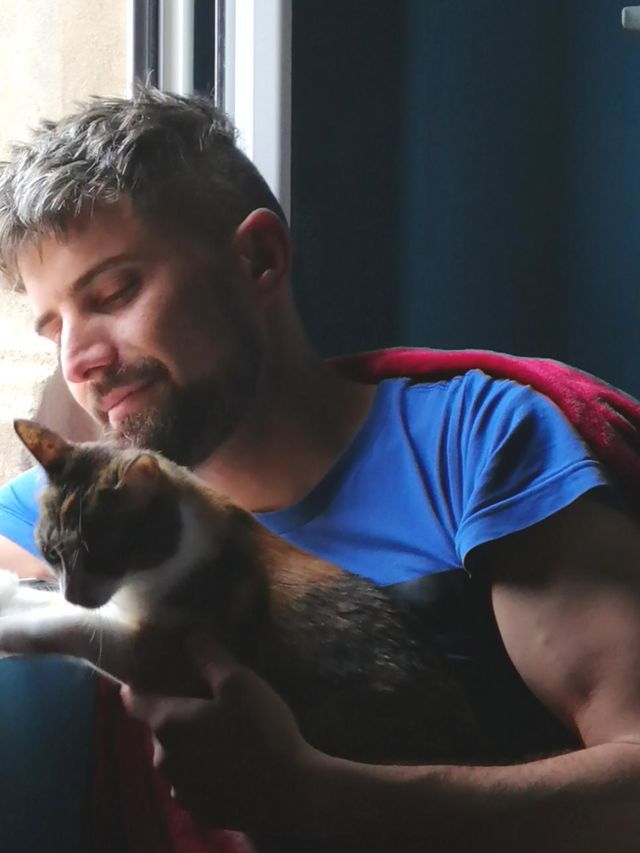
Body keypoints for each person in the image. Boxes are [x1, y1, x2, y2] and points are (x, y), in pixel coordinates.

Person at [1, 87, 640, 852]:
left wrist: (322, 799)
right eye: (54, 330)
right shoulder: (60, 509)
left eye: (113, 293)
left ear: (258, 259)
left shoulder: (475, 444)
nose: (78, 360)